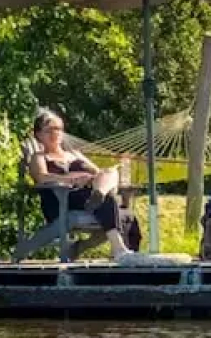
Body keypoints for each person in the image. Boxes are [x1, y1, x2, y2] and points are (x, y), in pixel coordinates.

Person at [27, 108, 143, 261]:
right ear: (38, 135)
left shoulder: (74, 154)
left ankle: (99, 195)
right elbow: (41, 178)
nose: (56, 133)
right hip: (63, 198)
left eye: (59, 129)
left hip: (87, 195)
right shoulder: (40, 157)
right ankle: (119, 248)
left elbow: (97, 172)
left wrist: (95, 177)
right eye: (50, 130)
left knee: (112, 181)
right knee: (109, 204)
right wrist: (72, 179)